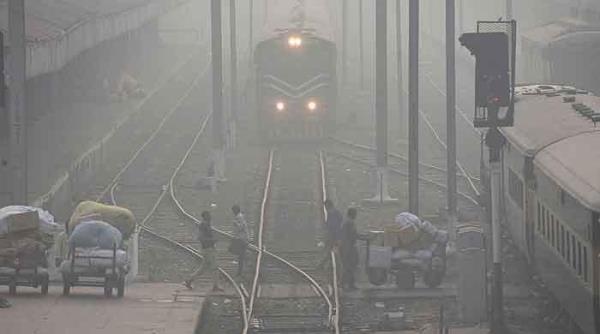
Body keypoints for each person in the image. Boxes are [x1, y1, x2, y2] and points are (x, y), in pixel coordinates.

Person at [184, 211, 222, 292]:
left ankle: (189, 280)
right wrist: (213, 240)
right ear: (205, 217)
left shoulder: (206, 225)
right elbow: (201, 238)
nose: (210, 217)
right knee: (215, 267)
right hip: (208, 249)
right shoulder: (203, 225)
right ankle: (215, 286)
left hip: (208, 249)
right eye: (209, 215)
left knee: (203, 268)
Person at [316, 199, 343, 270]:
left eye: (325, 207)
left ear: (328, 206)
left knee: (331, 252)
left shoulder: (332, 213)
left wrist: (335, 238)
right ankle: (323, 265)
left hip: (333, 236)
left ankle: (322, 265)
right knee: (331, 252)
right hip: (334, 236)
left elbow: (333, 226)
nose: (325, 208)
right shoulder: (335, 213)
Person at [340, 208, 360, 290]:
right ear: (353, 214)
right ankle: (345, 284)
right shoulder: (350, 222)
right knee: (350, 266)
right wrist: (363, 236)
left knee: (349, 266)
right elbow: (353, 234)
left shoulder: (346, 222)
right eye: (355, 214)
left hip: (346, 247)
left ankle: (349, 284)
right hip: (349, 247)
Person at [230, 205, 249, 277]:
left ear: (235, 210)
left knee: (241, 255)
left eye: (233, 211)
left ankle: (240, 272)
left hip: (242, 239)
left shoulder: (239, 217)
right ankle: (240, 271)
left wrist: (235, 223)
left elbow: (241, 227)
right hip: (241, 238)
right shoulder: (239, 216)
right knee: (240, 255)